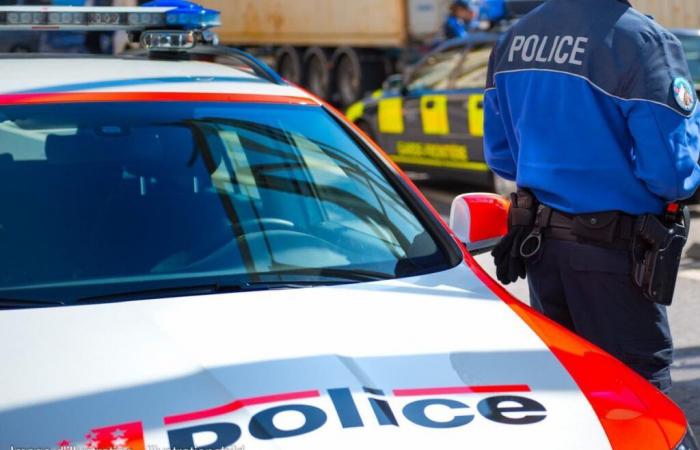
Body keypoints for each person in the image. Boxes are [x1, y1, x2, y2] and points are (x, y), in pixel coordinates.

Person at [483, 0, 700, 393]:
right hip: (613, 258)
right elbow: (670, 174)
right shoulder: (642, 41)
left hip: (542, 251)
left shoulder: (514, 38)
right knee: (634, 398)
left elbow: (501, 157)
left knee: (571, 393)